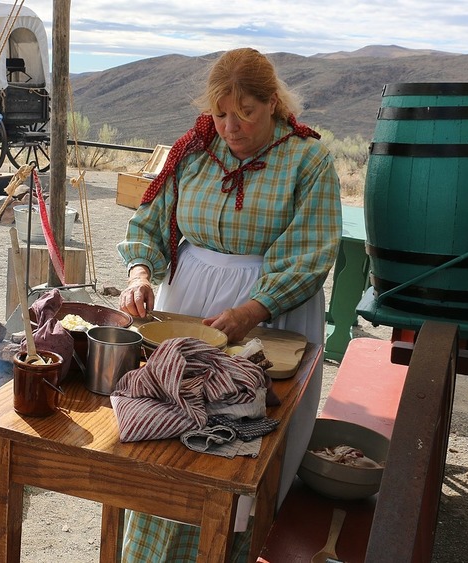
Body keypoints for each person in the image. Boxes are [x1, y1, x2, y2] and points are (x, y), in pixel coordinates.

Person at [116, 47, 342, 561]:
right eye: (221, 114)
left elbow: (310, 253)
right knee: (171, 427)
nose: (231, 127)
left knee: (236, 441)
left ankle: (228, 549)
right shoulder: (193, 150)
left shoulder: (306, 158)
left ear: (274, 104)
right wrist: (139, 273)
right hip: (188, 303)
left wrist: (252, 309)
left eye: (246, 113)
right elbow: (149, 222)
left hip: (269, 314)